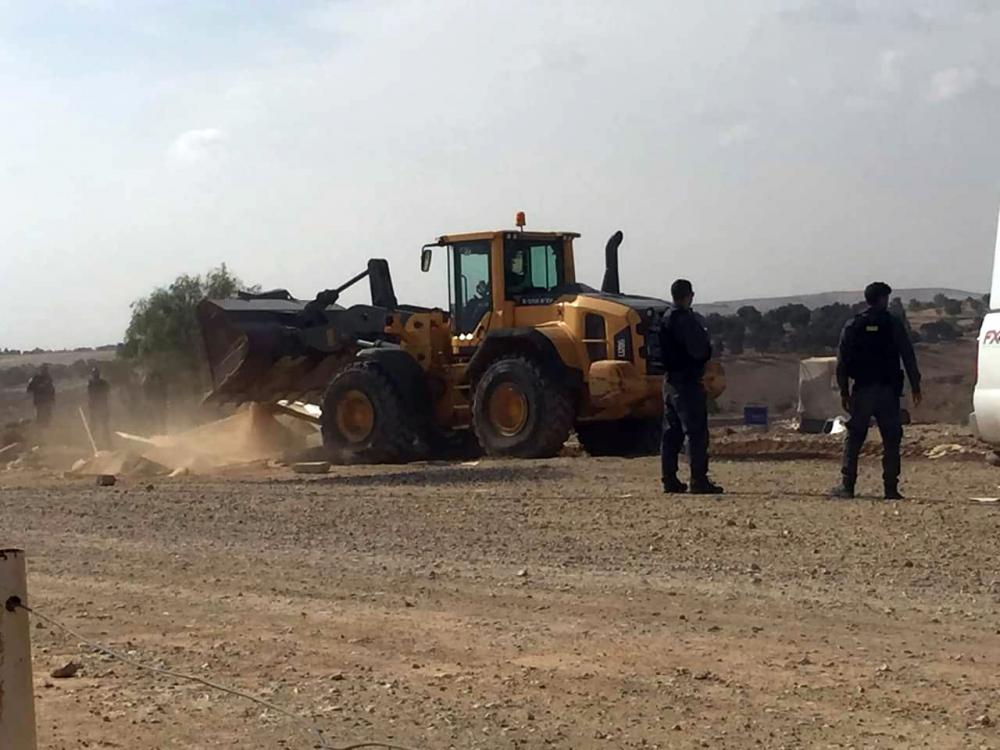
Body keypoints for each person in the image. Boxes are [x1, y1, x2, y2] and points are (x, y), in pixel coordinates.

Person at [832, 282, 922, 500]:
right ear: (882, 299)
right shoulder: (892, 324)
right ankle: (890, 488)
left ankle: (847, 486)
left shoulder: (854, 324)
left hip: (862, 390)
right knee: (891, 439)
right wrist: (915, 386)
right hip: (888, 392)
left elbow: (842, 361)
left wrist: (844, 391)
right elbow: (907, 355)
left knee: (855, 438)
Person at [658, 278, 724, 495]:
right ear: (689, 296)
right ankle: (698, 480)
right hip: (687, 382)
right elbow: (698, 350)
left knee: (671, 433)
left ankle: (669, 479)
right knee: (696, 433)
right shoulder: (685, 320)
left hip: (670, 382)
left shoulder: (666, 318)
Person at [87, 366, 112, 449]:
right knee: (94, 425)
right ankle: (93, 442)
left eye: (96, 373)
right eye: (94, 373)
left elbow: (107, 392)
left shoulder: (103, 383)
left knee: (104, 425)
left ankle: (107, 442)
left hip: (102, 406)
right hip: (95, 407)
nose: (95, 375)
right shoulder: (91, 383)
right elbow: (90, 395)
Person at [26, 364, 55, 429]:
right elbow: (29, 389)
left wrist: (52, 398)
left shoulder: (48, 378)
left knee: (46, 416)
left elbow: (52, 389)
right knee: (41, 416)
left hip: (45, 400)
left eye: (46, 369)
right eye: (44, 369)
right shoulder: (36, 379)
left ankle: (45, 428)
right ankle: (41, 428)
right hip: (40, 401)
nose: (45, 371)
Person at [142, 369, 168, 435]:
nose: (156, 381)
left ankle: (162, 432)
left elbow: (164, 395)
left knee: (161, 418)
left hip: (160, 404)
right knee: (152, 419)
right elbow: (146, 394)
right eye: (155, 379)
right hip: (152, 404)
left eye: (157, 379)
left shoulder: (162, 386)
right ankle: (153, 432)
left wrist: (165, 403)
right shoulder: (148, 385)